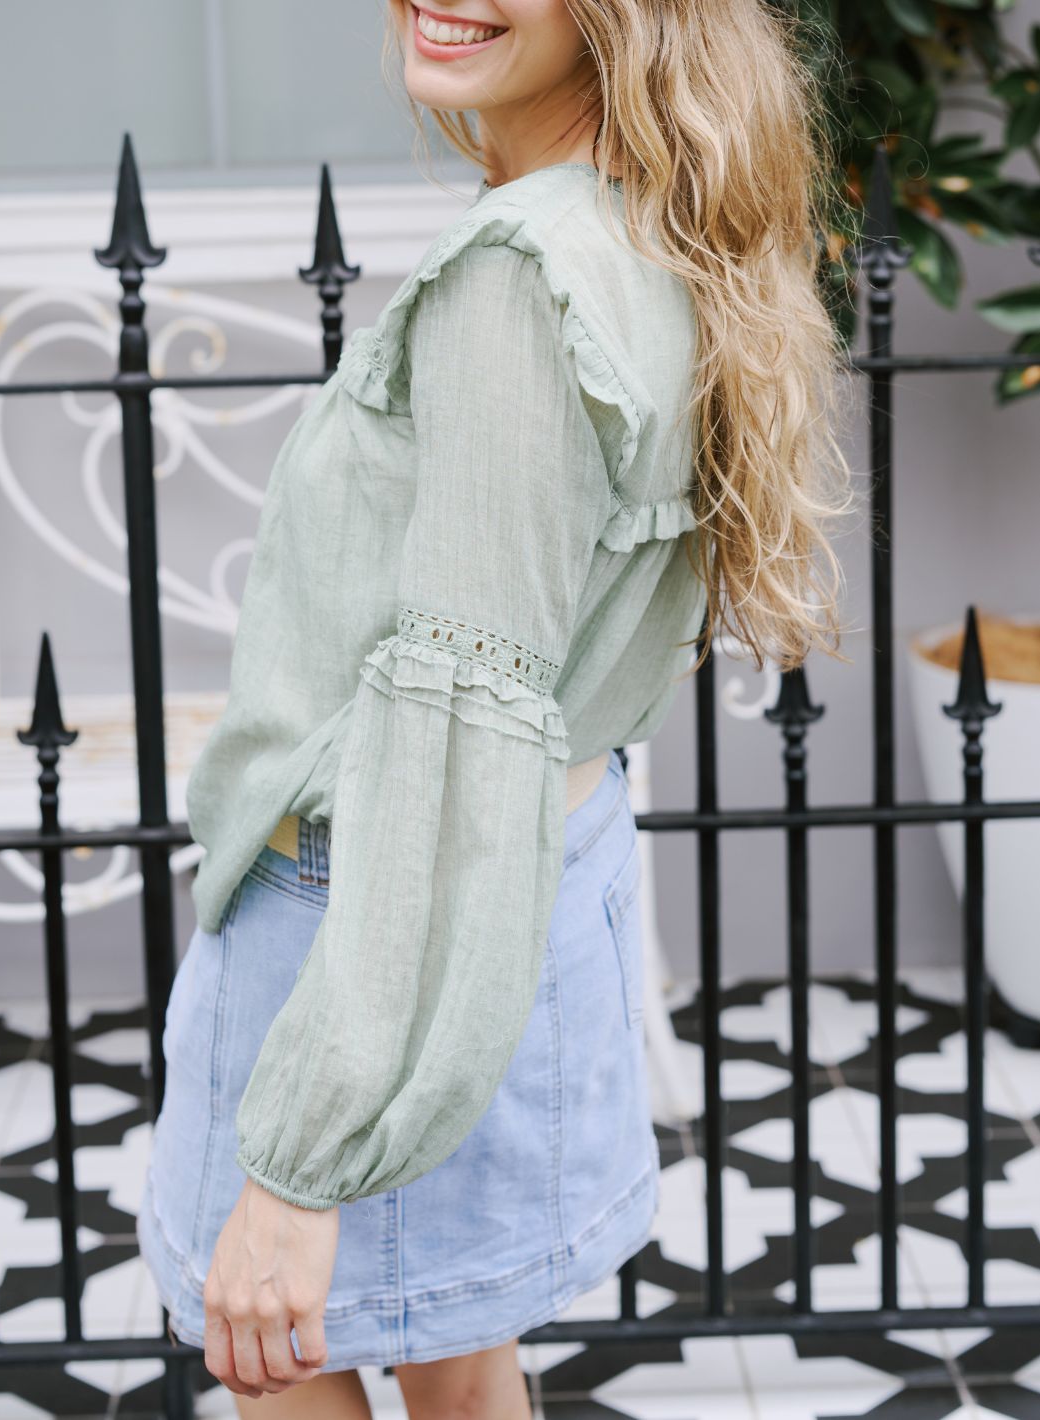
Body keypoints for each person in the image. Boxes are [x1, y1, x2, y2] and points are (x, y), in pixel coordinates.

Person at [136, 0, 854, 1414]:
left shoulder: (520, 279)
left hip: (378, 921)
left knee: (274, 1359)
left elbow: (460, 718)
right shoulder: (654, 227)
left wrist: (299, 1167)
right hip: (512, 885)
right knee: (460, 1371)